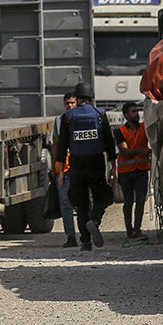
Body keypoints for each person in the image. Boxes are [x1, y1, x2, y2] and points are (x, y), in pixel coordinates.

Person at [54, 81, 117, 250]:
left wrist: (60, 172)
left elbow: (62, 146)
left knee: (81, 204)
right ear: (91, 97)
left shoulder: (68, 117)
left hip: (76, 164)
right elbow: (109, 142)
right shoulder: (100, 114)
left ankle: (86, 242)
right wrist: (113, 166)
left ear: (77, 97)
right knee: (103, 197)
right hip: (96, 162)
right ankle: (94, 220)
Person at [114, 101, 151, 244]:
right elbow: (124, 151)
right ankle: (129, 230)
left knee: (140, 201)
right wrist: (141, 151)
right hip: (126, 172)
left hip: (141, 170)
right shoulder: (120, 131)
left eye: (137, 111)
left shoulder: (145, 127)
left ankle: (137, 229)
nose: (137, 114)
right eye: (133, 111)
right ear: (126, 115)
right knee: (128, 201)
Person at [54, 92, 79, 247]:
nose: (70, 106)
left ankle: (86, 235)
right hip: (64, 167)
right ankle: (71, 236)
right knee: (65, 203)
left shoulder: (83, 117)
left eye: (72, 103)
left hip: (79, 165)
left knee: (82, 203)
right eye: (67, 103)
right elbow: (56, 145)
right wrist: (55, 168)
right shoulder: (59, 121)